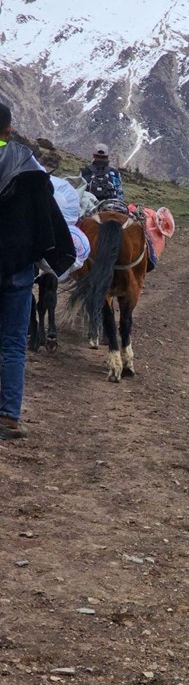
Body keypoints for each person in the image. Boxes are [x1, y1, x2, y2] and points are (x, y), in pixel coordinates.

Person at [0, 102, 75, 439]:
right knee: (14, 344)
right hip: (17, 268)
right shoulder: (29, 167)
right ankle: (8, 417)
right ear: (9, 129)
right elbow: (47, 216)